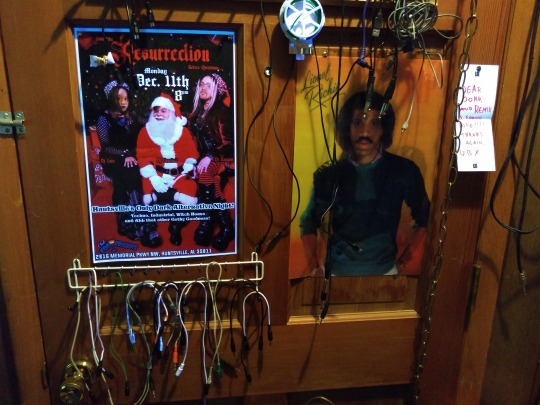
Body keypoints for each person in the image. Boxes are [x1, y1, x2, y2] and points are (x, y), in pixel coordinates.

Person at [299, 91, 430, 276]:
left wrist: (404, 261)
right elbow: (308, 222)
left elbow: (425, 218)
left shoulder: (403, 171)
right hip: (335, 275)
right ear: (347, 128)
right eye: (357, 122)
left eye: (374, 123)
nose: (365, 132)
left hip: (387, 274)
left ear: (384, 128)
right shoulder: (329, 175)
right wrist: (313, 267)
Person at [137, 93, 199, 247]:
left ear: (171, 113)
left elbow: (191, 154)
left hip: (178, 175)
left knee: (190, 193)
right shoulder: (145, 131)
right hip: (156, 174)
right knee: (146, 198)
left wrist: (189, 165)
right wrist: (153, 177)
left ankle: (175, 226)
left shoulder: (182, 132)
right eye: (156, 111)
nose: (158, 114)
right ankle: (151, 228)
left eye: (163, 111)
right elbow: (142, 157)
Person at [188, 73, 235, 251]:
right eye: (201, 84)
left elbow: (229, 144)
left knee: (206, 173)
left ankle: (207, 223)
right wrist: (195, 162)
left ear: (216, 89)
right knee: (209, 179)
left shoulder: (222, 112)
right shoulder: (197, 113)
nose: (203, 88)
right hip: (206, 157)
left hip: (223, 157)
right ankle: (226, 227)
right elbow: (196, 145)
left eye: (208, 85)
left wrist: (210, 156)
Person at [96, 80, 144, 241]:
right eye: (119, 99)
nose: (123, 102)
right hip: (113, 158)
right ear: (112, 99)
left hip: (133, 156)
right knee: (128, 172)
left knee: (132, 170)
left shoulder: (133, 116)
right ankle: (132, 222)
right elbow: (106, 147)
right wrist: (125, 154)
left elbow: (146, 129)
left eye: (126, 98)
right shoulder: (104, 118)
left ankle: (135, 221)